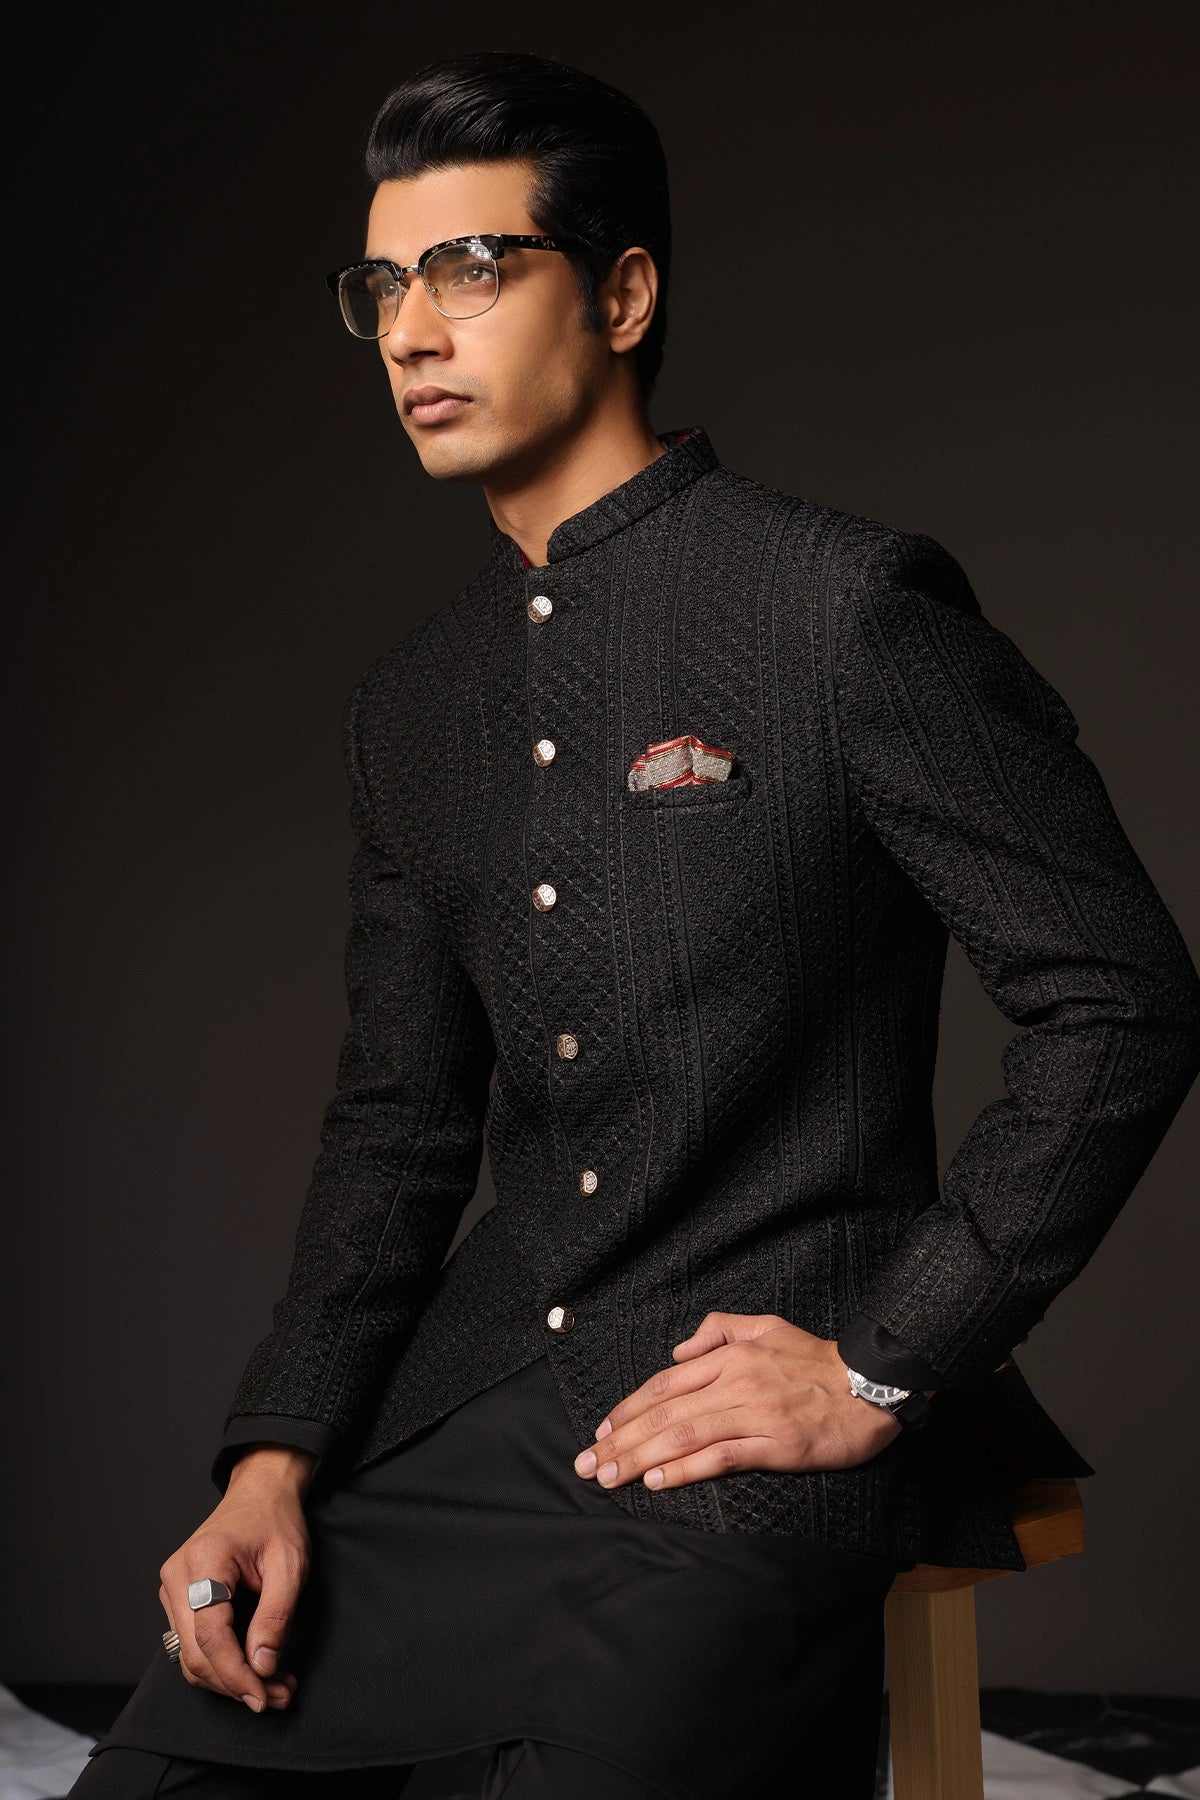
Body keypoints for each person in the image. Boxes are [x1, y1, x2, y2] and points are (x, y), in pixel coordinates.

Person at [71, 46, 1200, 1800]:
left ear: (622, 295)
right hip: (475, 1417)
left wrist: (883, 1366)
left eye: (470, 268)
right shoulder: (413, 709)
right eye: (381, 285)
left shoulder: (839, 608)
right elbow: (397, 1126)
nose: (410, 332)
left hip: (748, 1430)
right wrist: (273, 1458)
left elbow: (1121, 998)